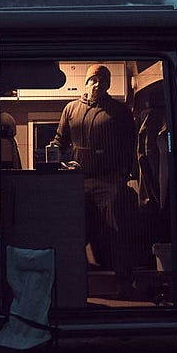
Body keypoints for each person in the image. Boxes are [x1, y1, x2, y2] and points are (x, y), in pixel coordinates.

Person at [51, 64, 139, 296]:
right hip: (78, 180)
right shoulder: (71, 109)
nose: (98, 84)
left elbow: (131, 144)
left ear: (109, 85)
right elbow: (59, 141)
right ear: (86, 82)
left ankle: (124, 283)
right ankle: (74, 284)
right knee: (75, 230)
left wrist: (123, 175)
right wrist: (54, 160)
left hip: (108, 181)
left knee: (117, 230)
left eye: (103, 81)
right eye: (94, 80)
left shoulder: (119, 111)